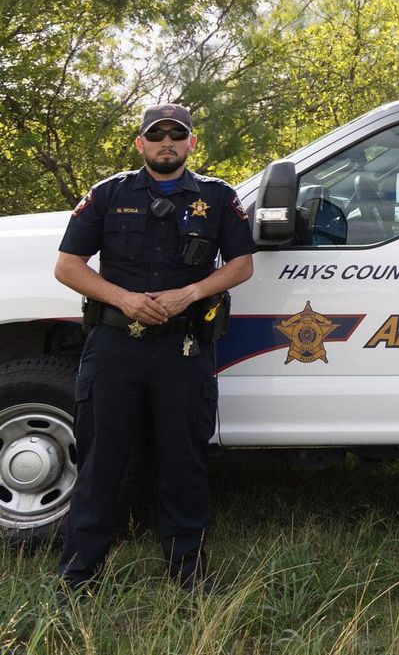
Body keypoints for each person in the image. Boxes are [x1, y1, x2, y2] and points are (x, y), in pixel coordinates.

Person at [55, 104, 255, 594]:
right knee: (102, 461)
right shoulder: (108, 194)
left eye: (176, 134)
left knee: (183, 460)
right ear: (140, 143)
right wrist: (124, 299)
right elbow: (68, 266)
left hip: (184, 347)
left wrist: (189, 293)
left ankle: (188, 573)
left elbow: (242, 264)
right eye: (156, 134)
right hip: (114, 345)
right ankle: (77, 576)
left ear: (191, 143)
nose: (167, 142)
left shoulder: (217, 197)